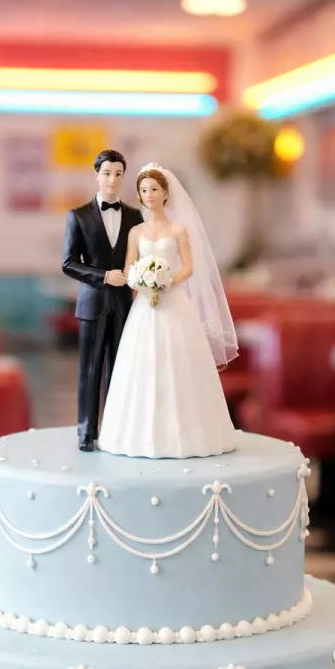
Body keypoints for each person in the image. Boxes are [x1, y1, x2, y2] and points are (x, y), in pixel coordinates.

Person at [97, 164, 238, 459]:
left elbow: (188, 267)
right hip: (144, 308)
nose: (149, 195)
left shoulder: (178, 229)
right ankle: (137, 434)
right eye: (144, 190)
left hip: (174, 303)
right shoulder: (136, 232)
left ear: (165, 194)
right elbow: (129, 266)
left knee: (180, 362)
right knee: (143, 363)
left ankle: (189, 434)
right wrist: (141, 281)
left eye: (154, 190)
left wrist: (166, 280)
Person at [61, 150, 144, 451]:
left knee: (119, 370)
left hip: (125, 305)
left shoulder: (136, 216)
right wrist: (103, 276)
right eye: (107, 173)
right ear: (96, 174)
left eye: (118, 174)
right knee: (90, 371)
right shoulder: (79, 216)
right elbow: (68, 263)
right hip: (93, 305)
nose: (112, 180)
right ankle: (86, 430)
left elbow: (142, 257)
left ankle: (115, 429)